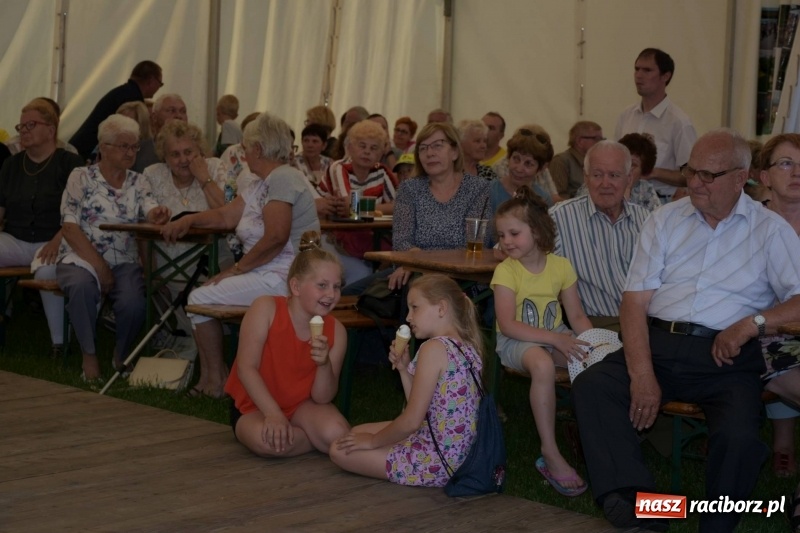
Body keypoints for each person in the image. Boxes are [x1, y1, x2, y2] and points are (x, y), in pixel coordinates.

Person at [572, 129, 800, 532]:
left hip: (725, 357)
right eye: (692, 171)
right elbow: (634, 303)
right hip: (658, 342)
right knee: (594, 383)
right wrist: (642, 374)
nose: (695, 182)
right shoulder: (665, 220)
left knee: (739, 437)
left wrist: (753, 323)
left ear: (740, 177)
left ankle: (715, 526)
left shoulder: (770, 230)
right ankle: (643, 506)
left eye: (709, 175)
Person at [161, 112, 319, 399]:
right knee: (201, 297)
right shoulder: (261, 183)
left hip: (288, 276)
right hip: (270, 272)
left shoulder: (283, 177)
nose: (244, 154)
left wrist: (236, 269)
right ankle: (214, 377)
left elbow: (276, 237)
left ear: (258, 149)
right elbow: (225, 216)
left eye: (246, 148)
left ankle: (215, 379)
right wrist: (190, 219)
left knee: (198, 298)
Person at [330, 274, 484, 487]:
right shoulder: (467, 347)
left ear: (441, 308)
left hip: (436, 463)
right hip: (458, 455)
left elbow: (412, 421)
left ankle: (397, 458)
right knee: (355, 434)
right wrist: (404, 368)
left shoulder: (433, 348)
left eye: (415, 308)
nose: (409, 317)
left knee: (340, 450)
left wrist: (373, 442)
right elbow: (424, 409)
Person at [492, 186, 591, 496]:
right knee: (542, 363)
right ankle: (550, 450)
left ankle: (593, 437)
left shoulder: (561, 266)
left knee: (589, 361)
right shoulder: (506, 271)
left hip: (554, 337)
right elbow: (508, 325)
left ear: (536, 231)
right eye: (502, 234)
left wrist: (591, 343)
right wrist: (556, 339)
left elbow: (576, 316)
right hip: (515, 342)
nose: (506, 241)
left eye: (513, 233)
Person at [57, 114, 171, 381]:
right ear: (104, 147)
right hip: (80, 255)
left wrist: (157, 213)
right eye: (124, 146)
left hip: (125, 260)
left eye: (135, 147)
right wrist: (100, 267)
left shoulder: (138, 181)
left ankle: (122, 354)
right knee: (81, 285)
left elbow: (149, 206)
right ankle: (89, 353)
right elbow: (70, 227)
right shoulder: (81, 177)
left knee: (133, 300)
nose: (131, 152)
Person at [225, 236, 350, 457]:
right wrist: (273, 414)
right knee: (269, 443)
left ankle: (305, 436)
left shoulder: (337, 331)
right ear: (296, 286)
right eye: (322, 285)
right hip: (255, 404)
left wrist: (323, 364)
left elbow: (323, 397)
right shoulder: (265, 308)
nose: (331, 295)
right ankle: (311, 440)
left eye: (337, 287)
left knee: (338, 435)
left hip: (303, 405)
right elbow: (246, 368)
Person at [0, 98, 84, 358]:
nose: (23, 130)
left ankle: (60, 344)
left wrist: (58, 240)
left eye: (31, 124)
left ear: (51, 129)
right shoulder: (11, 165)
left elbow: (78, 212)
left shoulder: (70, 163)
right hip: (16, 238)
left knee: (46, 268)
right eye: (21, 125)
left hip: (57, 239)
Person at [549, 141, 650, 331]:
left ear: (628, 179)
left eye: (614, 175)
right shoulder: (560, 218)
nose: (606, 184)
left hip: (647, 322)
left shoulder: (646, 220)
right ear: (586, 178)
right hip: (595, 325)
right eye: (597, 175)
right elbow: (514, 248)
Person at [389, 122, 491, 290]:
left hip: (463, 277)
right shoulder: (409, 189)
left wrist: (425, 266)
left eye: (437, 146)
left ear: (455, 152)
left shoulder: (478, 189)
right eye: (423, 148)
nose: (429, 153)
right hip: (415, 272)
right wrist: (416, 266)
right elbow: (402, 241)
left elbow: (474, 242)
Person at [757, 133, 800, 482]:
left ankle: (785, 447)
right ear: (765, 176)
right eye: (786, 163)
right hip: (760, 334)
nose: (797, 172)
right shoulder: (747, 225)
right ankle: (783, 446)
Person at [319, 120, 397, 284]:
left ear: (381, 152)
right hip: (331, 238)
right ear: (349, 148)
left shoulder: (382, 171)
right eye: (362, 146)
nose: (367, 152)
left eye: (374, 148)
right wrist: (380, 208)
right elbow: (349, 207)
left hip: (368, 236)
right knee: (363, 275)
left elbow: (401, 206)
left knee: (396, 264)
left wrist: (366, 207)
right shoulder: (338, 167)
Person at [615, 48, 697, 203]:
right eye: (636, 69)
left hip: (661, 202)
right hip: (623, 199)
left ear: (665, 76)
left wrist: (652, 172)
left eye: (647, 70)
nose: (639, 75)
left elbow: (692, 175)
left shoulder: (679, 122)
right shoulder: (626, 115)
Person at [69, 60, 163, 161]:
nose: (159, 88)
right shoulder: (132, 100)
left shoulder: (122, 92)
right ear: (151, 80)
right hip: (86, 155)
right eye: (160, 84)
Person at [575, 133, 661, 213]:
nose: (627, 168)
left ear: (643, 171)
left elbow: (657, 219)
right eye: (623, 163)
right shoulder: (594, 185)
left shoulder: (646, 188)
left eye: (633, 164)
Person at [489, 127, 554, 221]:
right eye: (516, 159)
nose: (519, 169)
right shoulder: (488, 192)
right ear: (508, 157)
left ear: (541, 169)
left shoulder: (544, 200)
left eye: (528, 164)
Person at [549, 121, 603, 198]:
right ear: (580, 141)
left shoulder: (597, 162)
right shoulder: (560, 161)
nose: (600, 143)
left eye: (602, 139)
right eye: (596, 139)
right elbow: (557, 196)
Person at [116, 101, 158, 173]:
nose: (120, 126)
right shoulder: (114, 146)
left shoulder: (148, 153)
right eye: (118, 121)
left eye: (126, 122)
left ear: (141, 123)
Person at [294, 123, 333, 192]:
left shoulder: (330, 164)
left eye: (315, 141)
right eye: (306, 140)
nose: (310, 145)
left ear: (324, 145)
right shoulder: (294, 163)